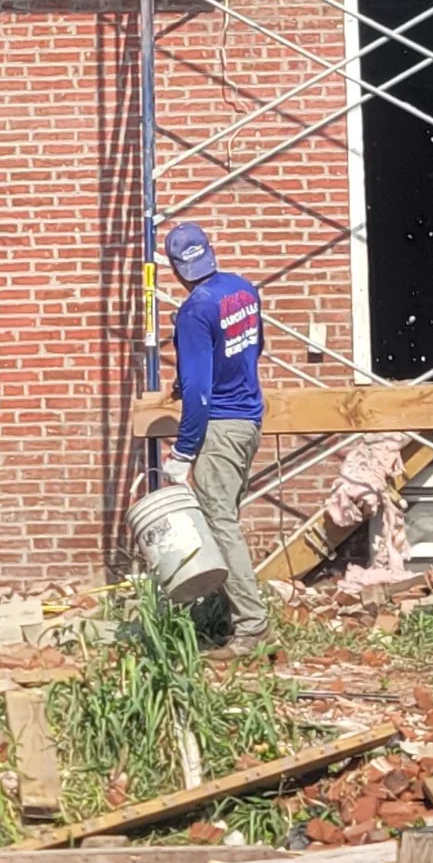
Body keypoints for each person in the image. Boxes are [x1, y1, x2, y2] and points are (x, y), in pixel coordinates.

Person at [161, 219, 270, 650]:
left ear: (173, 269)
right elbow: (250, 348)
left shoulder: (194, 311)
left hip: (219, 427)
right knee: (225, 519)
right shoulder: (242, 289)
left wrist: (184, 452)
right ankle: (229, 617)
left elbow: (200, 392)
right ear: (210, 252)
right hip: (249, 420)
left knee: (220, 524)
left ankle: (252, 626)